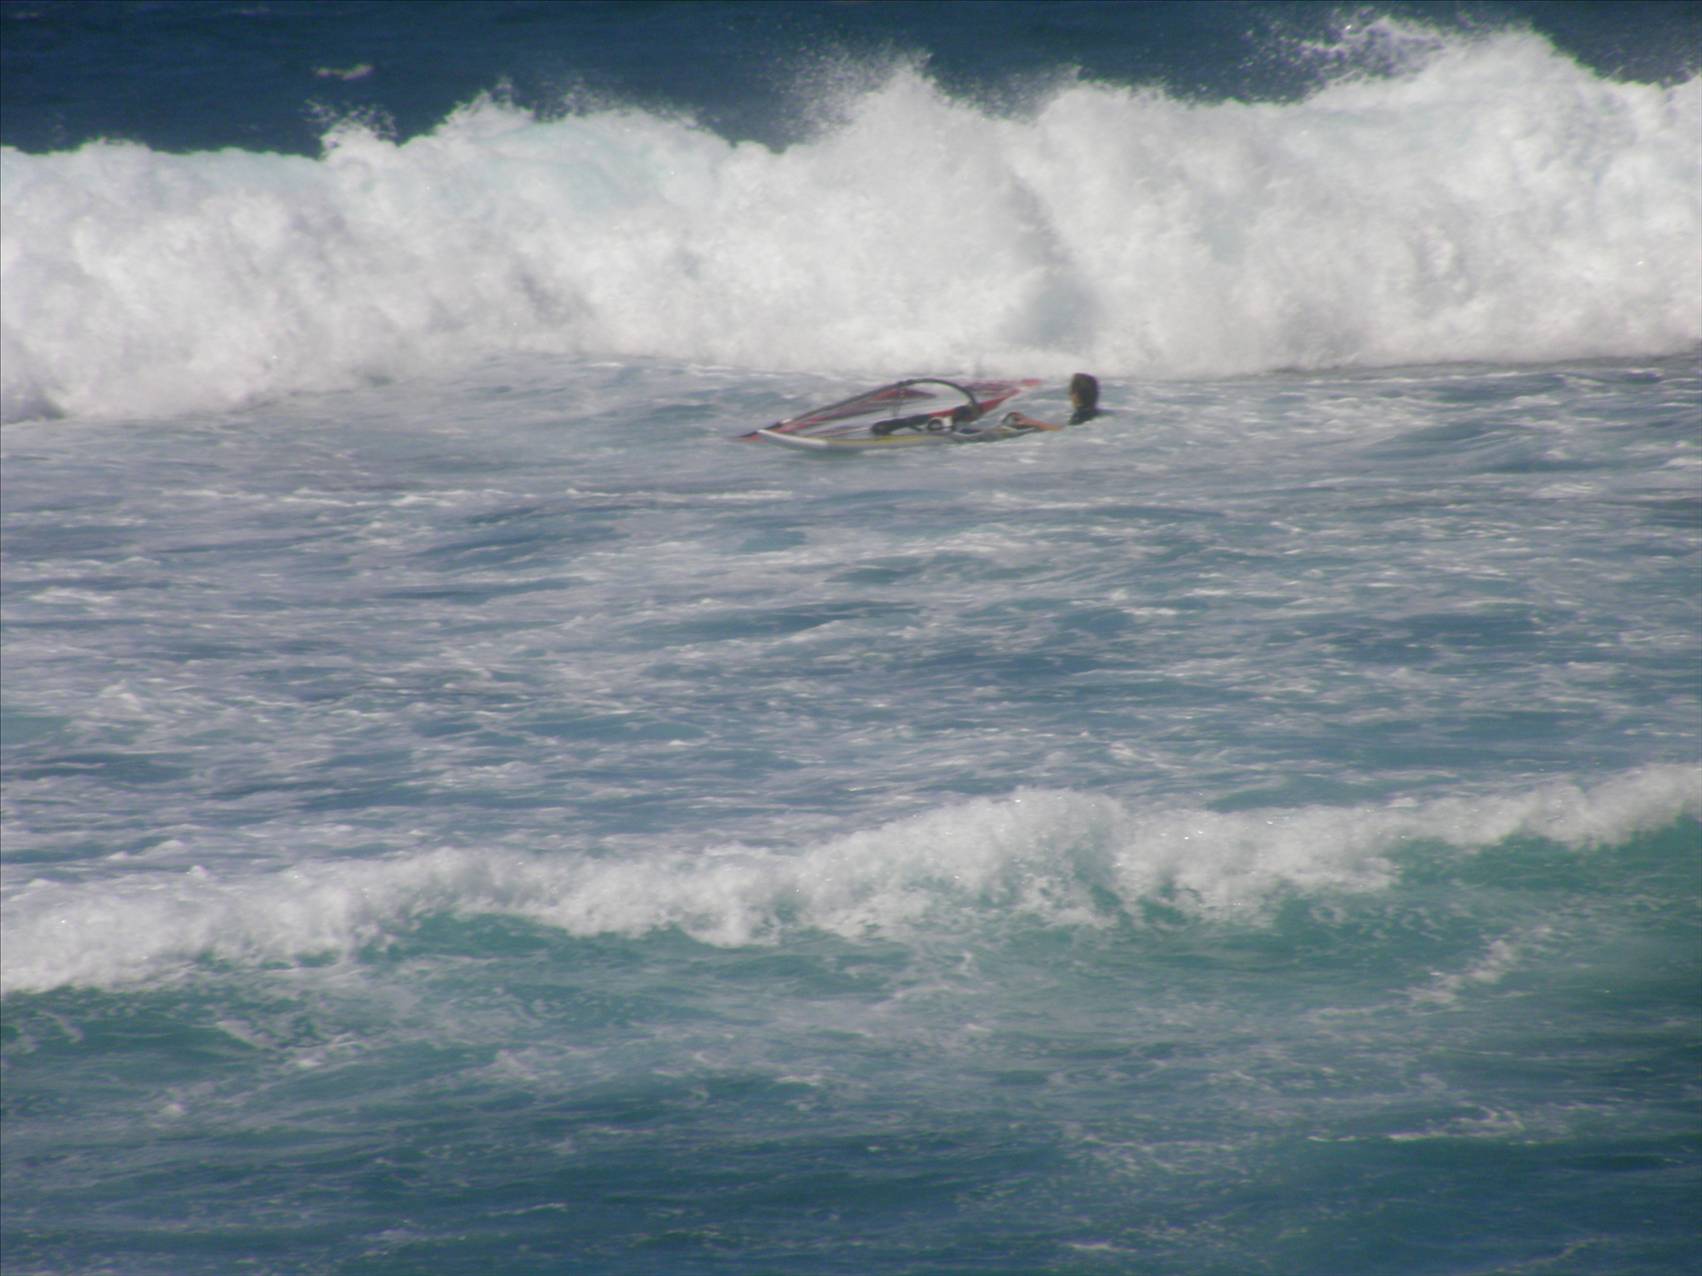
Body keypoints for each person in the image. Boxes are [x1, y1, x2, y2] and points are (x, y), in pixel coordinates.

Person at [997, 372, 1101, 432]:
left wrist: (1032, 423)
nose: (1068, 394)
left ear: (1076, 395)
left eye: (1070, 391)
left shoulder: (1081, 414)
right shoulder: (1093, 412)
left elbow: (1064, 431)